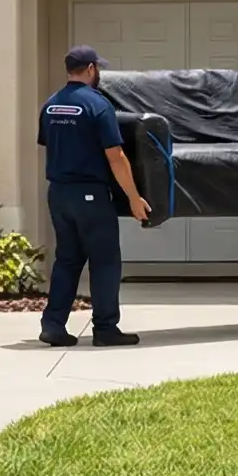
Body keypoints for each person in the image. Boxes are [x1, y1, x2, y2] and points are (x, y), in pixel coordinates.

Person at [36, 45, 151, 347]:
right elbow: (116, 156)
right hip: (90, 194)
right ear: (90, 69)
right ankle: (105, 328)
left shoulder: (50, 105)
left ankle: (53, 325)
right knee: (105, 260)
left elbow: (50, 144)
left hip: (59, 193)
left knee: (68, 259)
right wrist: (134, 198)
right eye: (97, 68)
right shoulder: (98, 106)